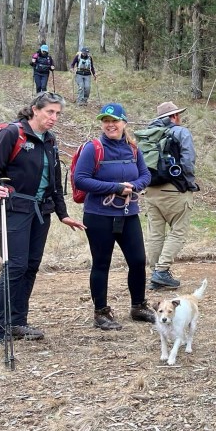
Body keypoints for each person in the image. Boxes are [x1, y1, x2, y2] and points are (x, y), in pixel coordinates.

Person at [0, 92, 85, 352]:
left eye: (58, 114)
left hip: (42, 211)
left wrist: (63, 214)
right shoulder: (13, 134)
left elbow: (54, 183)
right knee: (14, 267)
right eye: (50, 112)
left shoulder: (50, 140)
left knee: (30, 266)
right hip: (15, 207)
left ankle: (17, 322)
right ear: (34, 110)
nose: (54, 118)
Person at [73, 103, 153, 330]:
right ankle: (101, 312)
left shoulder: (133, 149)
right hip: (99, 215)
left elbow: (146, 175)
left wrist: (134, 185)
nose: (110, 125)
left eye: (115, 121)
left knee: (138, 260)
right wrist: (116, 188)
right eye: (106, 121)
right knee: (101, 263)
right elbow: (81, 179)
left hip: (128, 214)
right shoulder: (93, 148)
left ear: (124, 123)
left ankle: (138, 306)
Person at [142, 102, 199, 290]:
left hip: (150, 190)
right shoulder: (181, 132)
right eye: (178, 114)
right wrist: (189, 183)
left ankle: (155, 274)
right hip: (174, 189)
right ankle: (162, 271)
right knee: (178, 232)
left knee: (156, 234)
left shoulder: (147, 134)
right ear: (174, 116)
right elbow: (188, 161)